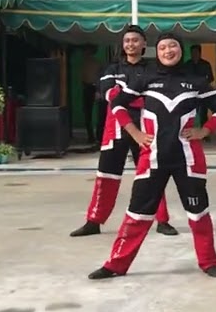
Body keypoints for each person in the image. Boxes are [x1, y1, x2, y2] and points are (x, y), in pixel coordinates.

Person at [89, 31, 216, 280]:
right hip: (152, 159)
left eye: (173, 46)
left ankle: (209, 262)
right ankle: (116, 265)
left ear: (181, 50)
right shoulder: (146, 78)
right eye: (163, 47)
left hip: (188, 160)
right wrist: (135, 133)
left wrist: (205, 130)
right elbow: (117, 104)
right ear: (157, 51)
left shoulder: (195, 81)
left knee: (198, 213)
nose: (168, 51)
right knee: (137, 213)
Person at [71, 26, 175, 238]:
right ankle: (94, 221)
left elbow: (155, 96)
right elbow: (110, 95)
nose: (130, 44)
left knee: (152, 176)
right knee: (106, 176)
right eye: (127, 40)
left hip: (146, 130)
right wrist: (138, 96)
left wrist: (125, 97)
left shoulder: (154, 69)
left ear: (144, 44)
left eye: (135, 40)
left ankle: (162, 220)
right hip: (115, 130)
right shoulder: (111, 69)